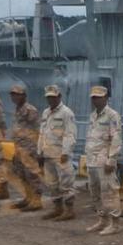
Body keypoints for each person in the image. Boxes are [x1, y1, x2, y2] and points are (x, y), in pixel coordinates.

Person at [84, 85, 122, 236]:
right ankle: (102, 219)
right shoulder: (93, 115)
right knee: (95, 191)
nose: (96, 100)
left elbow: (116, 138)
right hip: (92, 160)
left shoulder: (112, 115)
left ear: (106, 98)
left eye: (99, 97)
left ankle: (115, 223)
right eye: (93, 97)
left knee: (110, 192)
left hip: (104, 160)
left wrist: (111, 160)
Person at [38, 84, 78, 220]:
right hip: (48, 154)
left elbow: (70, 135)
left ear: (59, 96)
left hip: (61, 155)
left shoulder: (67, 113)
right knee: (52, 184)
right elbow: (42, 134)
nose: (51, 100)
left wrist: (65, 153)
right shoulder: (45, 113)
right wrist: (40, 152)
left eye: (53, 97)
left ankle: (69, 210)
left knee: (66, 183)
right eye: (48, 97)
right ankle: (57, 208)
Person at [8, 84, 44, 212]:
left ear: (24, 95)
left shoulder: (30, 109)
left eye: (17, 94)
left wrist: (39, 150)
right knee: (21, 173)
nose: (14, 97)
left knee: (32, 173)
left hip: (29, 148)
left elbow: (38, 129)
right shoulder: (17, 109)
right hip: (19, 148)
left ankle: (36, 200)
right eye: (13, 95)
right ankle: (28, 197)